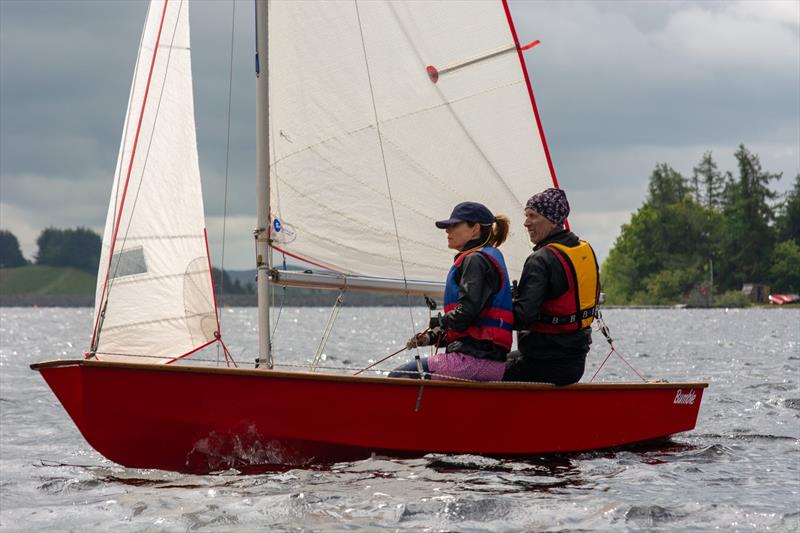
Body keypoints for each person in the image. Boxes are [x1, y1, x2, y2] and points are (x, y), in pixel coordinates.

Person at [389, 201, 513, 381]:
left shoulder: (475, 260)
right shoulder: (484, 257)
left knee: (399, 376)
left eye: (454, 225)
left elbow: (467, 312)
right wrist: (431, 337)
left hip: (474, 361)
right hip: (487, 361)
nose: (448, 231)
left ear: (475, 229)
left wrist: (439, 321)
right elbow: (472, 325)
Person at [504, 188, 599, 385]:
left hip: (545, 363)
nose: (526, 223)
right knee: (505, 359)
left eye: (533, 216)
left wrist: (488, 311)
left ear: (553, 220)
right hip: (573, 362)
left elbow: (523, 317)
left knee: (485, 368)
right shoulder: (585, 250)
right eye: (526, 216)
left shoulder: (540, 259)